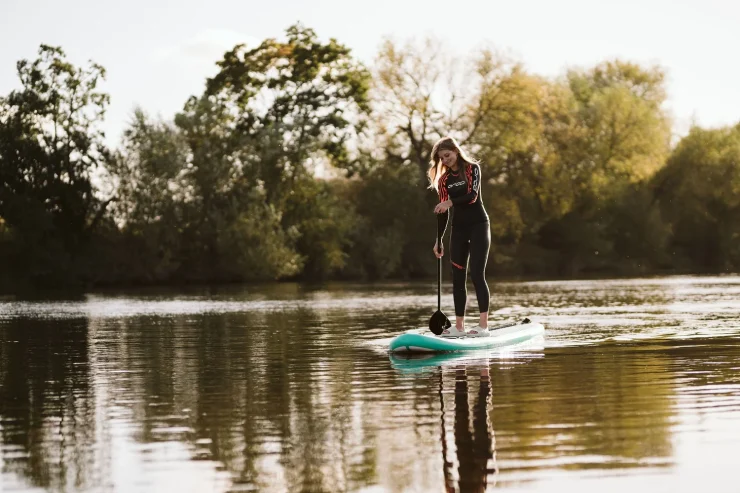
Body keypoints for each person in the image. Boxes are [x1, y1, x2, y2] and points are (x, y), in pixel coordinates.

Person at [429, 136, 491, 337]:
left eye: (447, 155)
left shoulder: (472, 169)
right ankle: (459, 327)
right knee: (457, 278)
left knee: (477, 275)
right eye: (441, 158)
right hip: (459, 229)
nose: (445, 160)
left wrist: (449, 202)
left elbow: (472, 196)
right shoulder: (444, 180)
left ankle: (483, 327)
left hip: (479, 226)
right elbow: (443, 212)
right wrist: (439, 239)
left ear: (456, 151)